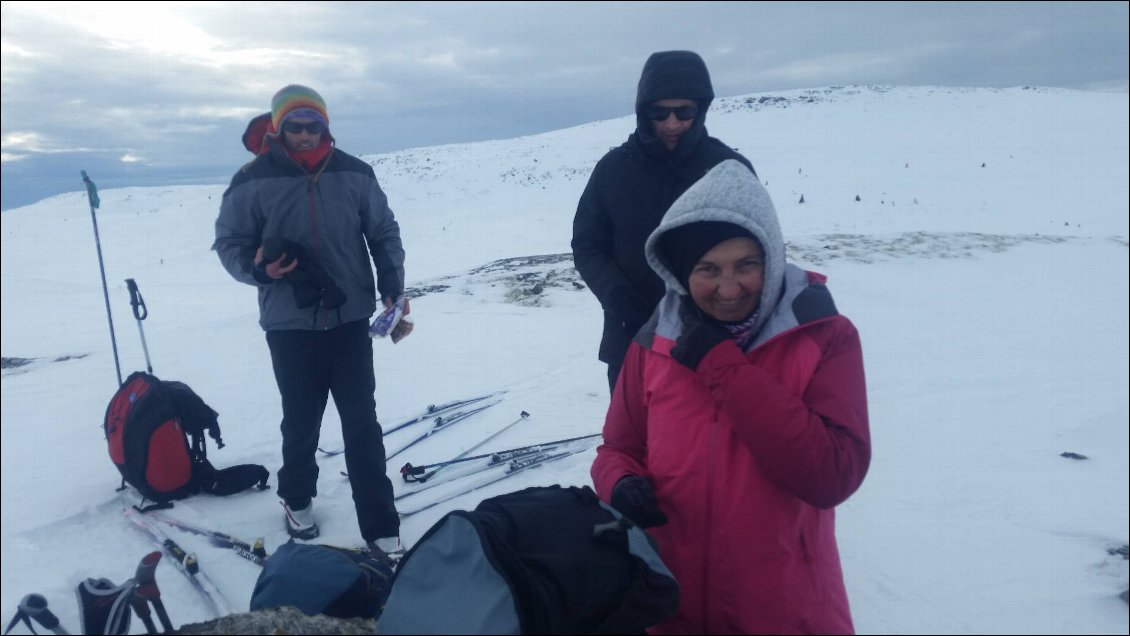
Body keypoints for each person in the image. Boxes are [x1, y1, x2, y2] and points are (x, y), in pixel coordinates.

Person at [591, 160, 871, 634]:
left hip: (783, 609)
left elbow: (832, 475)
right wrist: (620, 484)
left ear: (772, 259)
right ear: (680, 272)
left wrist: (722, 365)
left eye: (746, 265)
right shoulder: (653, 341)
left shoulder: (823, 336)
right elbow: (617, 448)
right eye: (707, 269)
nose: (727, 288)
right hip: (668, 602)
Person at [213, 84, 406, 560]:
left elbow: (382, 231)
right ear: (277, 127)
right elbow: (229, 242)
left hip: (349, 319)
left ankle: (381, 525)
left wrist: (393, 287)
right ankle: (297, 499)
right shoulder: (251, 179)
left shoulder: (354, 173)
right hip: (289, 324)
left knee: (362, 423)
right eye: (294, 125)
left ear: (325, 124)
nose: (303, 133)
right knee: (301, 421)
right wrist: (259, 269)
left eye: (312, 124)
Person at [572, 50, 755, 393]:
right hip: (631, 336)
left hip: (713, 340)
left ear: (701, 109)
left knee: (709, 440)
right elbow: (587, 244)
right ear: (644, 112)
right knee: (633, 442)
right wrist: (617, 295)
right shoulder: (613, 170)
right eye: (660, 113)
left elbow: (757, 253)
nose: (672, 124)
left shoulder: (728, 169)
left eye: (684, 112)